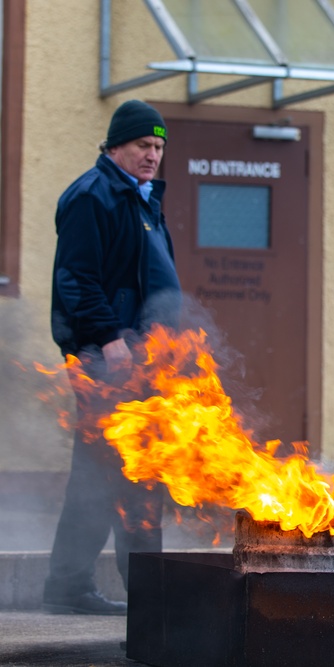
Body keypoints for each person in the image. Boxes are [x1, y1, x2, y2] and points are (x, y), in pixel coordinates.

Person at [44, 100, 180, 614]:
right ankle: (85, 589)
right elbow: (76, 278)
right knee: (110, 473)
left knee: (136, 474)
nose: (153, 155)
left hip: (145, 364)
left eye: (160, 147)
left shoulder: (141, 200)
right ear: (116, 146)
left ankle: (132, 592)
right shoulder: (92, 196)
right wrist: (108, 338)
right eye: (144, 145)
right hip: (108, 361)